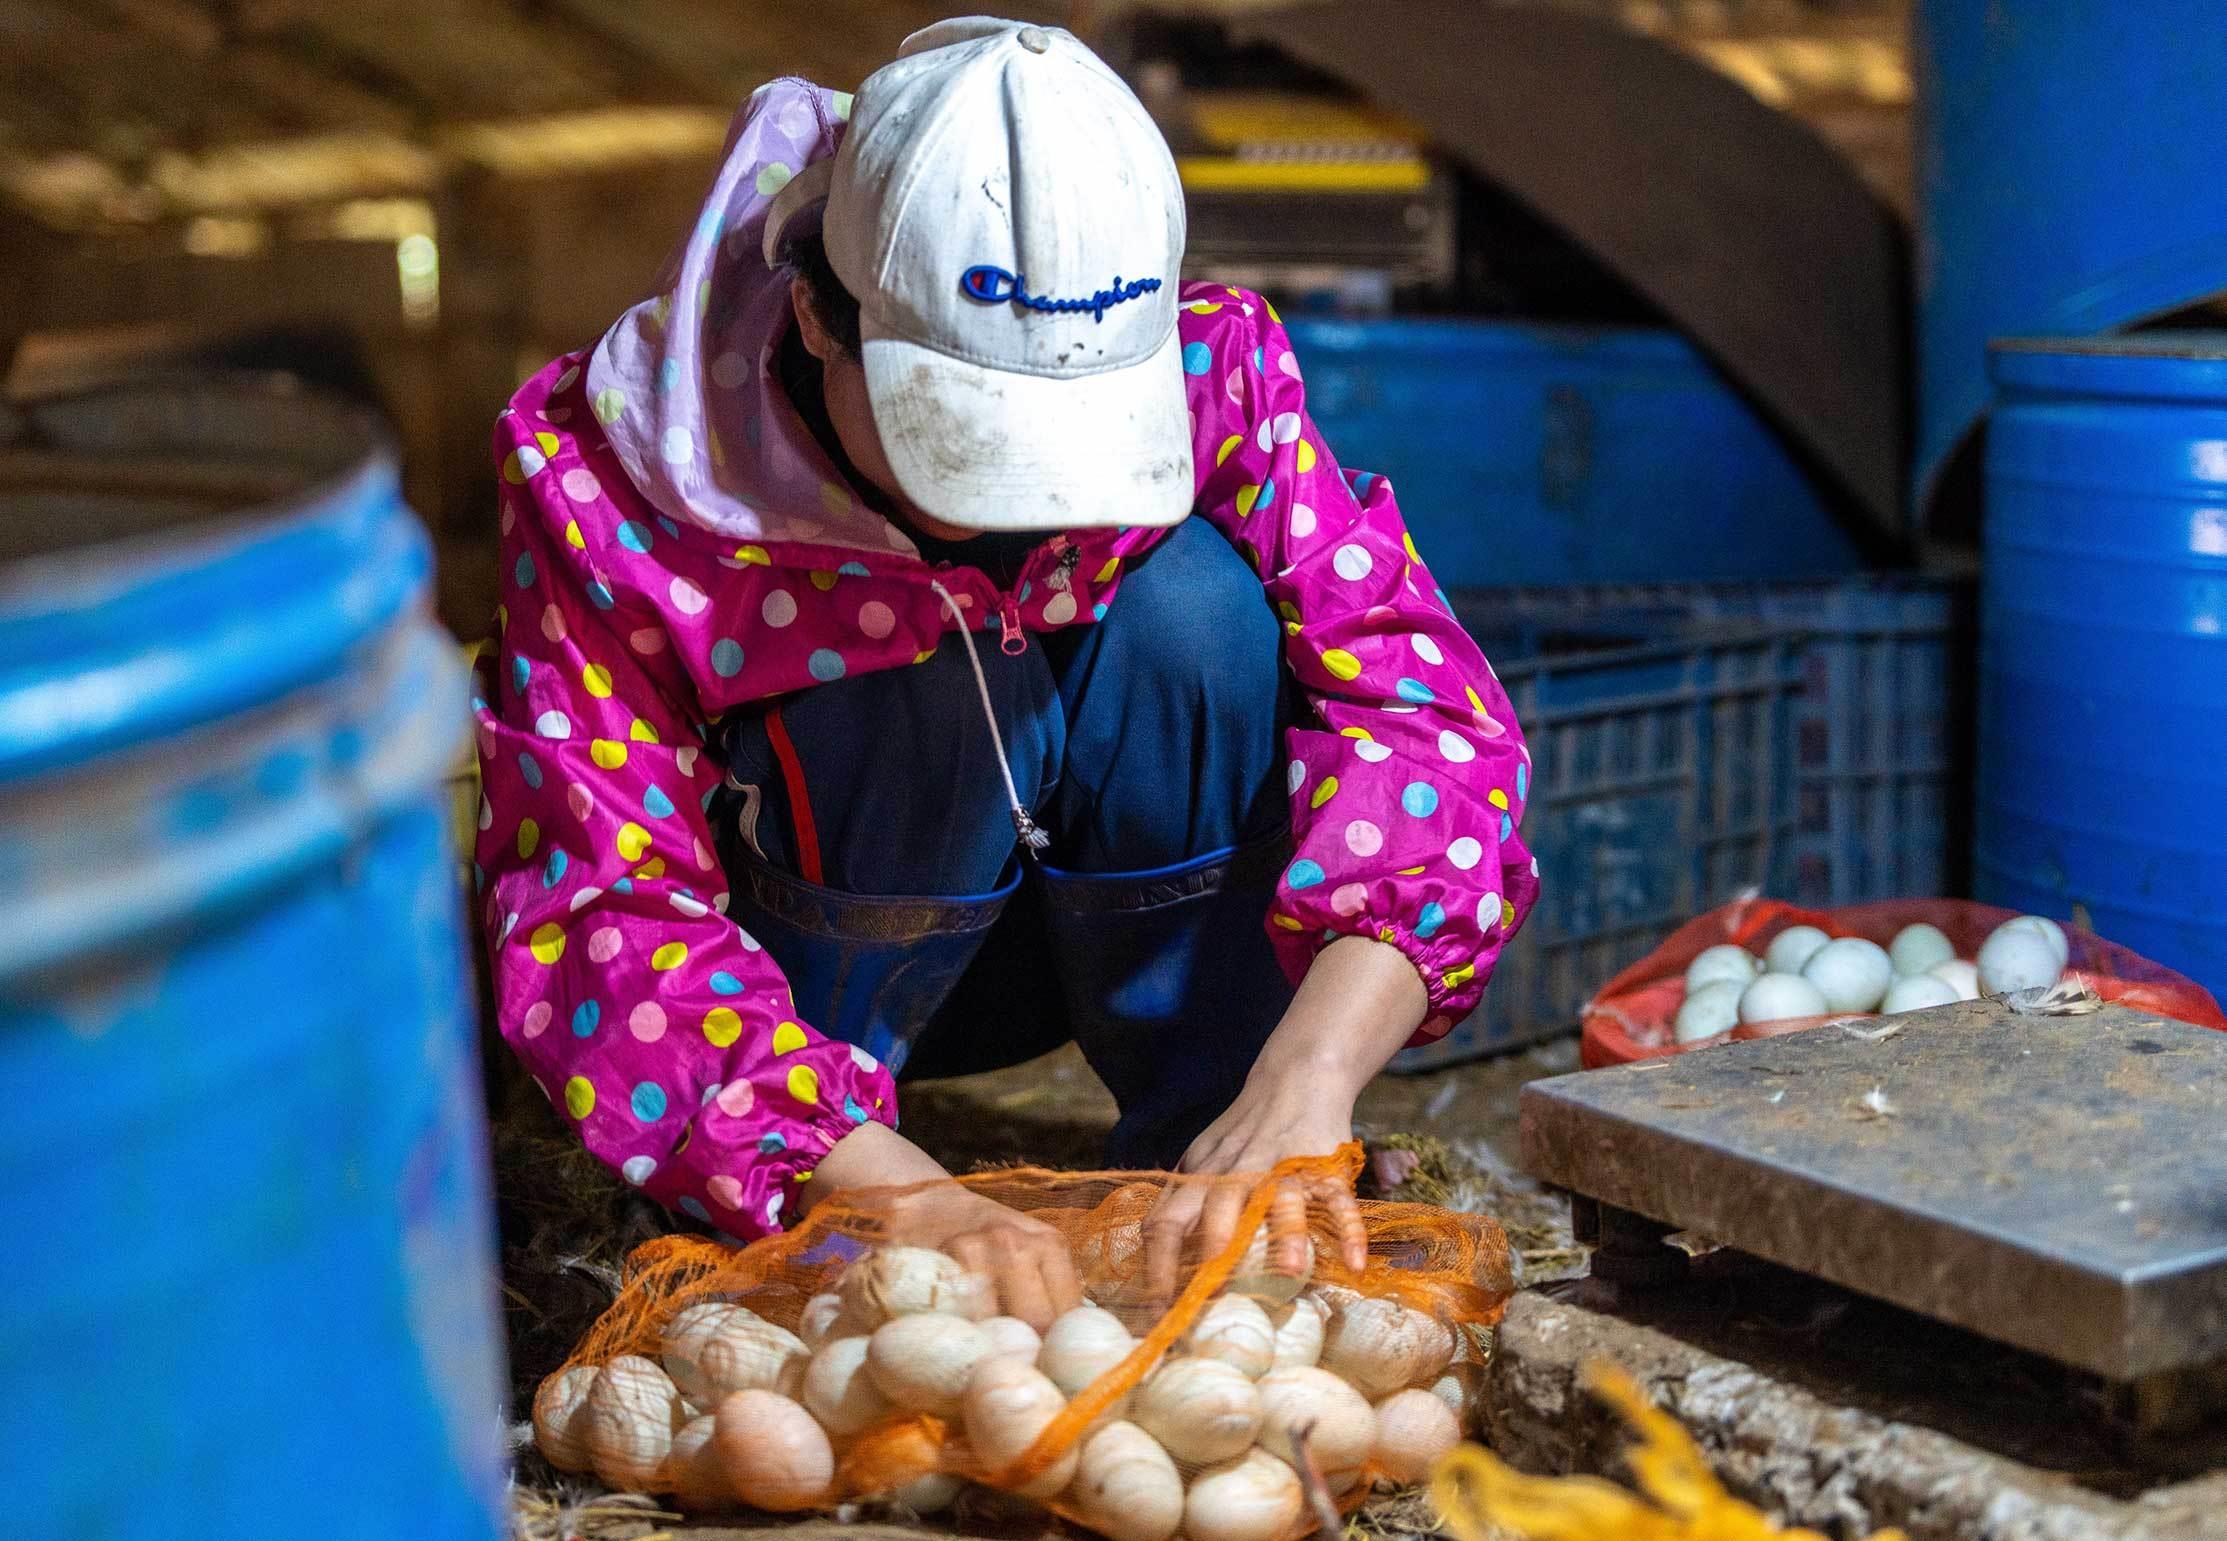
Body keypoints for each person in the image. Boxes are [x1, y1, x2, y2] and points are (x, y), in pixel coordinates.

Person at [473, 18, 1536, 1326]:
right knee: (910, 666)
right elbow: (595, 908)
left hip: (1115, 928)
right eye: (967, 438)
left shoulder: (1215, 379)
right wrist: (888, 1193)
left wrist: (1310, 1076)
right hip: (817, 994)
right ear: (817, 314)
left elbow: (1425, 712)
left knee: (1195, 611)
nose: (1026, 496)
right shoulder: (620, 494)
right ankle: (805, 1166)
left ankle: (1218, 1152)